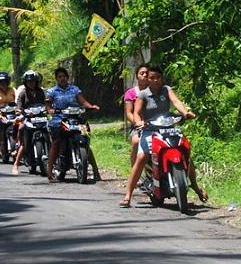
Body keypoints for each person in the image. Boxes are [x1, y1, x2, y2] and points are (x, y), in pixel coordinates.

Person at [120, 66, 208, 207]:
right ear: (147, 79)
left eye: (158, 78)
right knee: (142, 157)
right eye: (152, 78)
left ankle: (196, 187)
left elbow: (177, 102)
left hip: (168, 129)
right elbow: (136, 112)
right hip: (149, 130)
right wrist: (139, 122)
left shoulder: (166, 90)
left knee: (185, 153)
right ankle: (128, 195)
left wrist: (185, 113)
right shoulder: (142, 95)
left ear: (162, 79)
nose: (155, 80)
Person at [45, 67, 101, 182]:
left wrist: (90, 106)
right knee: (56, 142)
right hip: (59, 121)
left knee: (85, 142)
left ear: (67, 77)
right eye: (59, 77)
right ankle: (50, 171)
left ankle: (96, 171)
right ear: (56, 78)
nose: (62, 79)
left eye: (64, 76)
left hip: (77, 120)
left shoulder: (74, 89)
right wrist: (50, 109)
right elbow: (48, 103)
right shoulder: (52, 91)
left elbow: (82, 101)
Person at [12, 70, 46, 175]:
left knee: (53, 133)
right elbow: (18, 105)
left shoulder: (42, 92)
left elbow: (48, 102)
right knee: (23, 138)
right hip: (28, 119)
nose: (31, 83)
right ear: (25, 82)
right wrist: (18, 111)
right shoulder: (22, 93)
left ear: (37, 82)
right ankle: (16, 164)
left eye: (33, 81)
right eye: (29, 81)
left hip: (42, 118)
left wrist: (50, 108)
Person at [124, 64, 149, 166]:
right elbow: (129, 113)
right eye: (141, 73)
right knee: (136, 142)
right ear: (137, 76)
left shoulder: (156, 91)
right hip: (138, 126)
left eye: (147, 73)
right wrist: (137, 123)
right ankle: (134, 171)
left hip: (155, 123)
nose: (144, 75)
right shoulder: (130, 93)